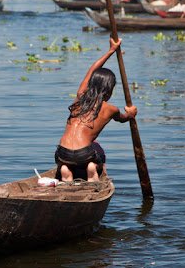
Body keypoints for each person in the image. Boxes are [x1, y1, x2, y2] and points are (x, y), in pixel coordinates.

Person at [55, 37, 137, 182]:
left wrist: (111, 51)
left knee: (67, 161)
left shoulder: (79, 98)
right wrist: (131, 113)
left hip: (62, 152)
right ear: (110, 90)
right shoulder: (111, 109)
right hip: (84, 155)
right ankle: (92, 169)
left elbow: (91, 70)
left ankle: (65, 170)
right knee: (98, 158)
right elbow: (124, 118)